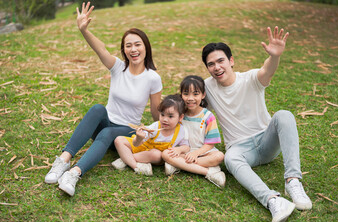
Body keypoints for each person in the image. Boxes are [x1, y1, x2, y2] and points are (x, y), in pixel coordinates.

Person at [44, 2, 162, 197]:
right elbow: (101, 50)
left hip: (128, 131)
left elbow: (156, 112)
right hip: (107, 122)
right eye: (128, 45)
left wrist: (169, 126)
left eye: (138, 44)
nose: (133, 49)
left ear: (146, 47)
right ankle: (63, 161)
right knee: (98, 109)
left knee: (108, 133)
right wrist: (84, 30)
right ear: (124, 50)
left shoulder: (152, 78)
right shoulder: (118, 67)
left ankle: (74, 173)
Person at [201, 26, 312, 222]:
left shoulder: (250, 78)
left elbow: (266, 70)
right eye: (211, 64)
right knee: (230, 158)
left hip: (266, 141)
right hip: (241, 150)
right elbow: (190, 105)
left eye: (220, 61)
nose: (216, 67)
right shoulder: (207, 87)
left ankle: (293, 181)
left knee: (284, 115)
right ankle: (273, 201)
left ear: (231, 61)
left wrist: (275, 57)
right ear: (207, 68)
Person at [162, 75, 225, 188]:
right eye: (186, 94)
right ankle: (209, 172)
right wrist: (178, 149)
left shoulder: (208, 116)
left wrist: (196, 153)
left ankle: (178, 165)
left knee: (219, 156)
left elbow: (210, 143)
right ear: (181, 94)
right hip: (183, 151)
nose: (190, 98)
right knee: (166, 154)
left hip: (203, 152)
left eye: (195, 94)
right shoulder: (179, 114)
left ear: (203, 95)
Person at [112, 94, 189, 175]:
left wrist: (179, 149)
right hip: (141, 147)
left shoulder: (181, 131)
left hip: (152, 155)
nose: (165, 119)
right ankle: (135, 165)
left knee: (157, 155)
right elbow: (136, 144)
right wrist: (139, 138)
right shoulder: (155, 127)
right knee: (118, 140)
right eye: (162, 115)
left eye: (170, 116)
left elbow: (186, 147)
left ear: (180, 117)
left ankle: (126, 159)